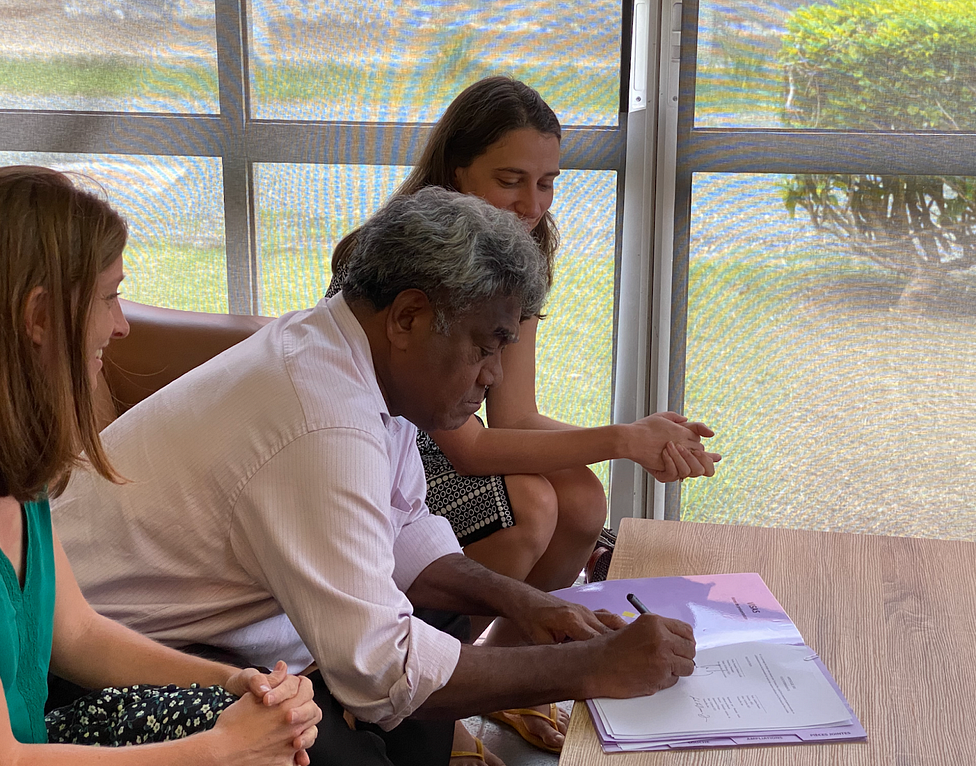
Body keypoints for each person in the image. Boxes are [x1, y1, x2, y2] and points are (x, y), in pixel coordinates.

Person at [53, 187, 698, 766]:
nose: (494, 374)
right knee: (355, 729)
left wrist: (526, 604)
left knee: (433, 627)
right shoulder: (322, 421)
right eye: (487, 344)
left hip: (195, 635)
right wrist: (590, 668)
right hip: (98, 660)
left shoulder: (347, 359)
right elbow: (384, 672)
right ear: (409, 317)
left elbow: (407, 532)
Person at [326, 76, 719, 757]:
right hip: (385, 447)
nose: (531, 205)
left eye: (548, 183)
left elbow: (516, 414)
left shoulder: (521, 249)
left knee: (582, 496)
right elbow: (470, 446)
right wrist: (624, 440)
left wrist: (637, 442)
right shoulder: (409, 258)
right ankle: (438, 704)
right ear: (455, 172)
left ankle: (512, 679)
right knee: (532, 505)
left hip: (445, 441)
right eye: (511, 180)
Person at [0, 166, 321, 766]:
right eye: (108, 297)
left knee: (274, 731)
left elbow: (77, 635)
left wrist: (233, 685)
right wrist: (220, 750)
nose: (120, 325)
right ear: (40, 317)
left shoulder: (12, 466)